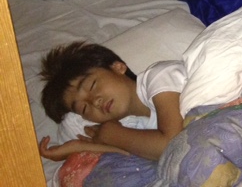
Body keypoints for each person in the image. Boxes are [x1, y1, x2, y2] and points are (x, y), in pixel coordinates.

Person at [38, 42, 185, 162]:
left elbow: (175, 146)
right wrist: (80, 147)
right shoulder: (136, 126)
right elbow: (140, 155)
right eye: (84, 108)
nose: (95, 102)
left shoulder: (159, 77)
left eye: (92, 86)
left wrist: (112, 135)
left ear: (118, 67)